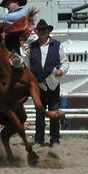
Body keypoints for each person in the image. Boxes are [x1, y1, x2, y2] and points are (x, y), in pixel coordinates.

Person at [26, 19, 69, 148]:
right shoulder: (32, 47)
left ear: (48, 31)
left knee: (54, 111)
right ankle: (39, 140)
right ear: (37, 32)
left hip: (53, 83)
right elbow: (28, 65)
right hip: (38, 85)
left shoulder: (57, 45)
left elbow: (65, 62)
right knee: (39, 113)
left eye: (45, 30)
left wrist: (61, 70)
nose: (43, 32)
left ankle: (54, 140)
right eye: (40, 30)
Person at [0, 0, 32, 67]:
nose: (7, 6)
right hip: (11, 41)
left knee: (12, 38)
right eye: (6, 5)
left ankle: (16, 58)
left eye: (8, 4)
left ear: (16, 2)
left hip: (27, 39)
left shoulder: (25, 10)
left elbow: (15, 17)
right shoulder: (7, 17)